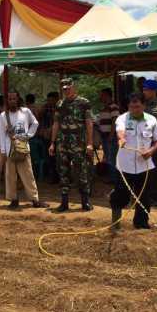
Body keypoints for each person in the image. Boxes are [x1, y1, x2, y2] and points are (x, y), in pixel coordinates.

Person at [111, 93, 157, 230]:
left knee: (144, 197)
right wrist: (121, 139)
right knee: (120, 194)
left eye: (138, 106)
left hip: (144, 166)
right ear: (128, 106)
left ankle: (141, 225)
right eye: (132, 106)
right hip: (124, 165)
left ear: (144, 106)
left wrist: (151, 151)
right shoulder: (122, 118)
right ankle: (115, 223)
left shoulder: (152, 120)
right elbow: (120, 131)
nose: (134, 109)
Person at [49, 78, 95, 212]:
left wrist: (90, 143)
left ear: (73, 87)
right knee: (62, 171)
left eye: (68, 88)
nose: (66, 90)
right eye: (64, 89)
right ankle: (64, 203)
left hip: (79, 142)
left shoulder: (84, 103)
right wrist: (52, 143)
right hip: (62, 142)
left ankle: (85, 202)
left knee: (81, 171)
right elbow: (56, 123)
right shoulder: (59, 104)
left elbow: (89, 123)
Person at [0, 90, 48, 210]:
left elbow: (35, 123)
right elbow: (1, 133)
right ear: (7, 101)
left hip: (23, 148)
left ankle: (35, 200)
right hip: (9, 149)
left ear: (18, 99)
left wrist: (28, 135)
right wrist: (3, 151)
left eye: (14, 98)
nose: (12, 101)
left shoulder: (26, 112)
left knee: (28, 174)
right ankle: (13, 200)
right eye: (9, 99)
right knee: (10, 176)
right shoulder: (3, 116)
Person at [38, 92, 60, 183]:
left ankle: (60, 177)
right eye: (48, 100)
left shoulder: (60, 108)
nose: (49, 102)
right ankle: (53, 176)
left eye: (51, 100)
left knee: (59, 158)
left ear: (56, 99)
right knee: (50, 158)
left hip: (57, 136)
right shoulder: (46, 108)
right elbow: (39, 116)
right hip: (47, 137)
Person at [96, 88, 120, 168]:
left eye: (102, 95)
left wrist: (111, 135)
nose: (100, 97)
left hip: (110, 137)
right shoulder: (103, 108)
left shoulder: (113, 107)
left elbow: (115, 121)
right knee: (108, 156)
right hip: (104, 136)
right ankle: (111, 177)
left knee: (111, 158)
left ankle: (114, 179)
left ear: (107, 95)